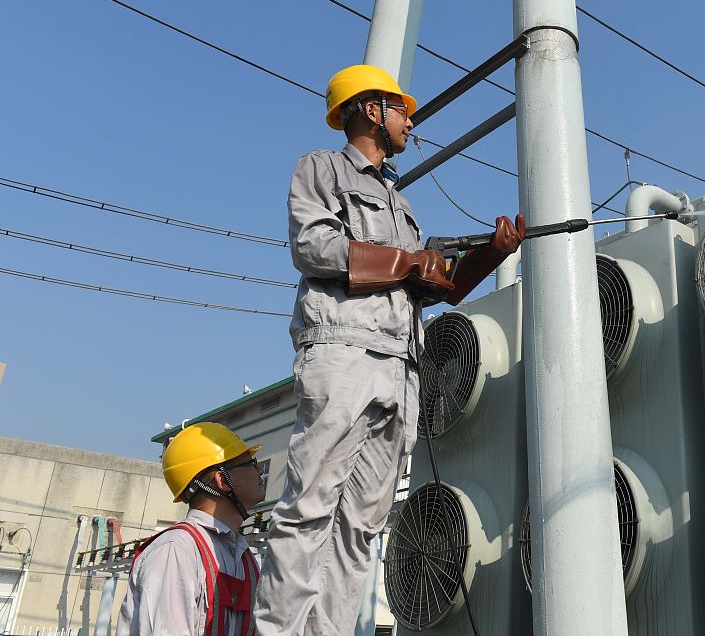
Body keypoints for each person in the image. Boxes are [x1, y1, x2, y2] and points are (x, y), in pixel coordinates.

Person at [254, 65, 523, 635]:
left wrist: (493, 254)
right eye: (400, 109)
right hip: (343, 350)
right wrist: (407, 261)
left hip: (399, 367)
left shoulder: (401, 204)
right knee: (309, 510)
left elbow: (437, 289)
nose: (409, 119)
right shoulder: (321, 168)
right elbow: (314, 246)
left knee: (360, 525)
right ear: (370, 110)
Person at [115, 422, 266, 636]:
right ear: (222, 479)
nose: (260, 469)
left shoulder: (245, 557)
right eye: (251, 463)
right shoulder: (176, 550)